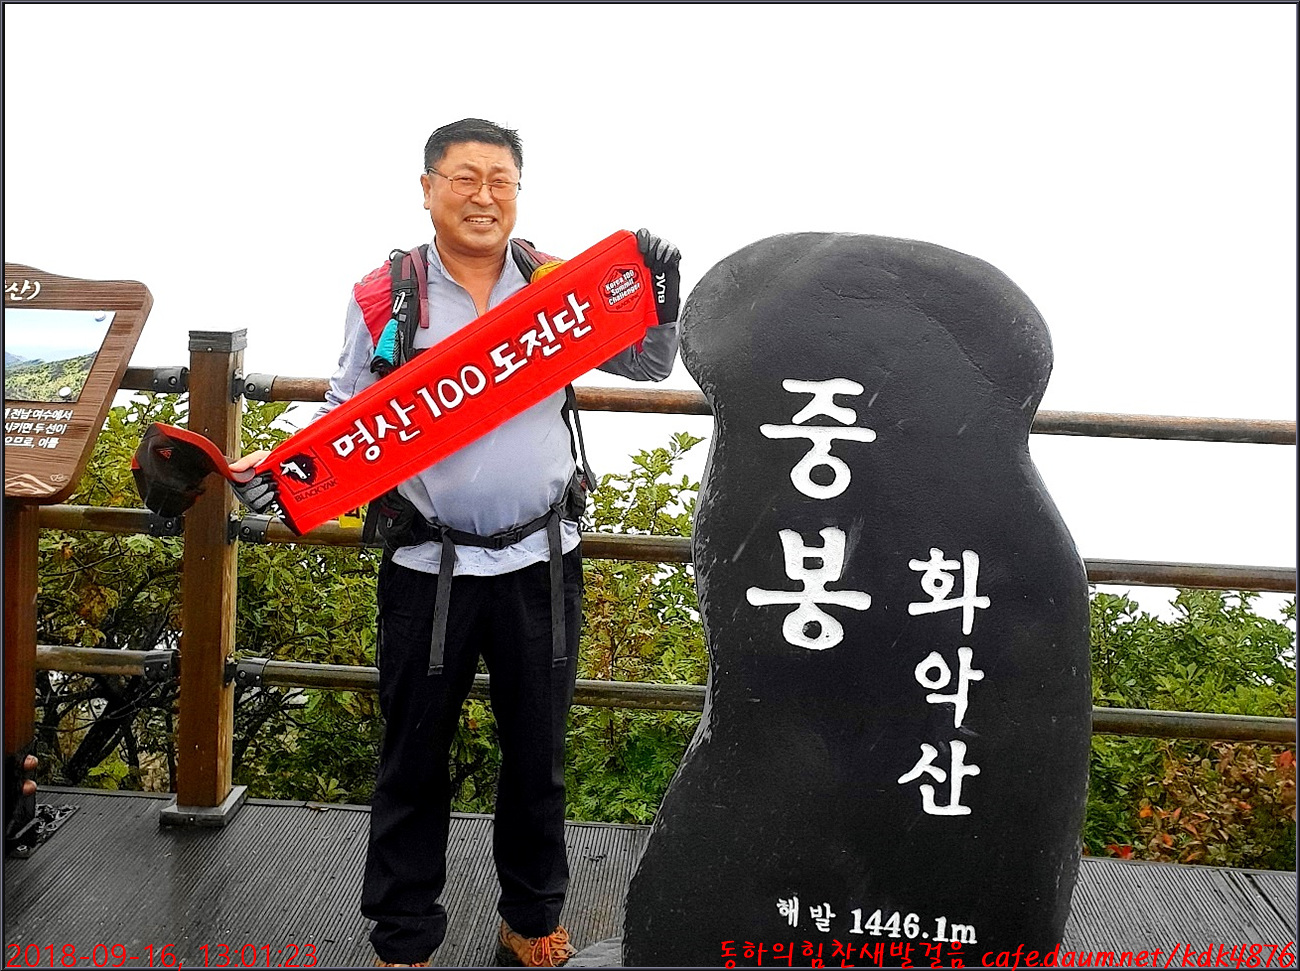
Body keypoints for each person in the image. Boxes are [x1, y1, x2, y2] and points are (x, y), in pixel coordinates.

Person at [231, 117, 681, 968]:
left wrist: (659, 294)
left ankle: (532, 917)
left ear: (518, 191)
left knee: (539, 752)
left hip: (540, 559)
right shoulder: (388, 295)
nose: (484, 196)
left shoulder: (558, 285)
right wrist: (283, 468)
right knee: (412, 753)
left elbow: (649, 364)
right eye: (465, 178)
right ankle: (404, 934)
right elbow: (348, 409)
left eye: (501, 180)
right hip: (425, 562)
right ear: (428, 187)